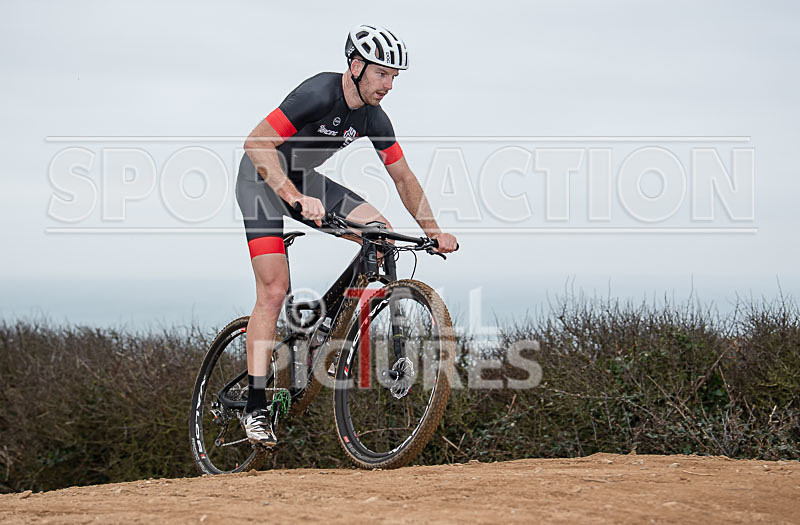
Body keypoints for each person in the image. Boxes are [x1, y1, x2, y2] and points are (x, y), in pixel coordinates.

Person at [235, 24, 458, 446]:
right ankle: (255, 406)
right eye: (381, 74)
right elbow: (256, 143)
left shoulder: (374, 117)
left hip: (305, 180)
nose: (389, 85)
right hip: (263, 182)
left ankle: (331, 328)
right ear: (355, 66)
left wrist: (434, 231)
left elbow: (403, 177)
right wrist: (292, 194)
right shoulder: (318, 93)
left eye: (395, 77)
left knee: (382, 233)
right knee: (274, 289)